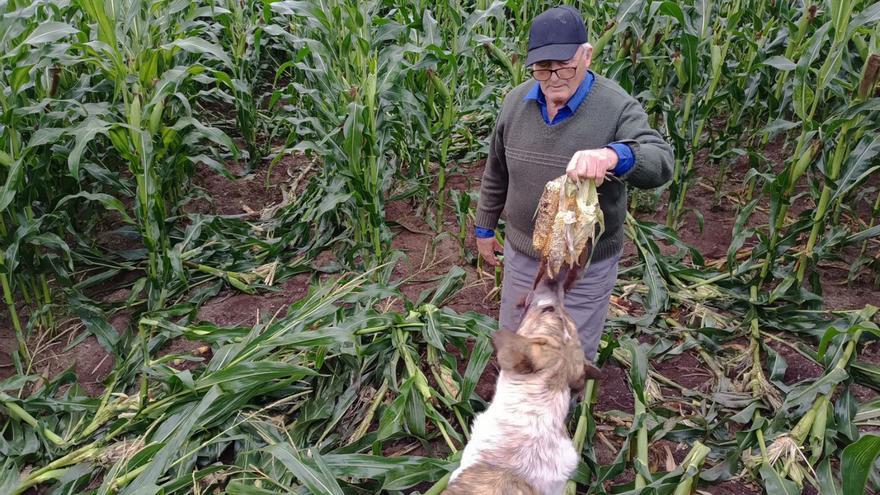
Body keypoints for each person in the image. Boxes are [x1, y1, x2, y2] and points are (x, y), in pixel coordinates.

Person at [474, 5, 673, 361]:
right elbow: (497, 171)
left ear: (586, 54)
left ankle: (563, 415)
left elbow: (660, 162)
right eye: (542, 69)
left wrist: (614, 156)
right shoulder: (515, 103)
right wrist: (485, 228)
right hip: (524, 258)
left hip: (587, 268)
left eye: (564, 67)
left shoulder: (615, 106)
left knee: (568, 358)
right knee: (518, 349)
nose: (552, 78)